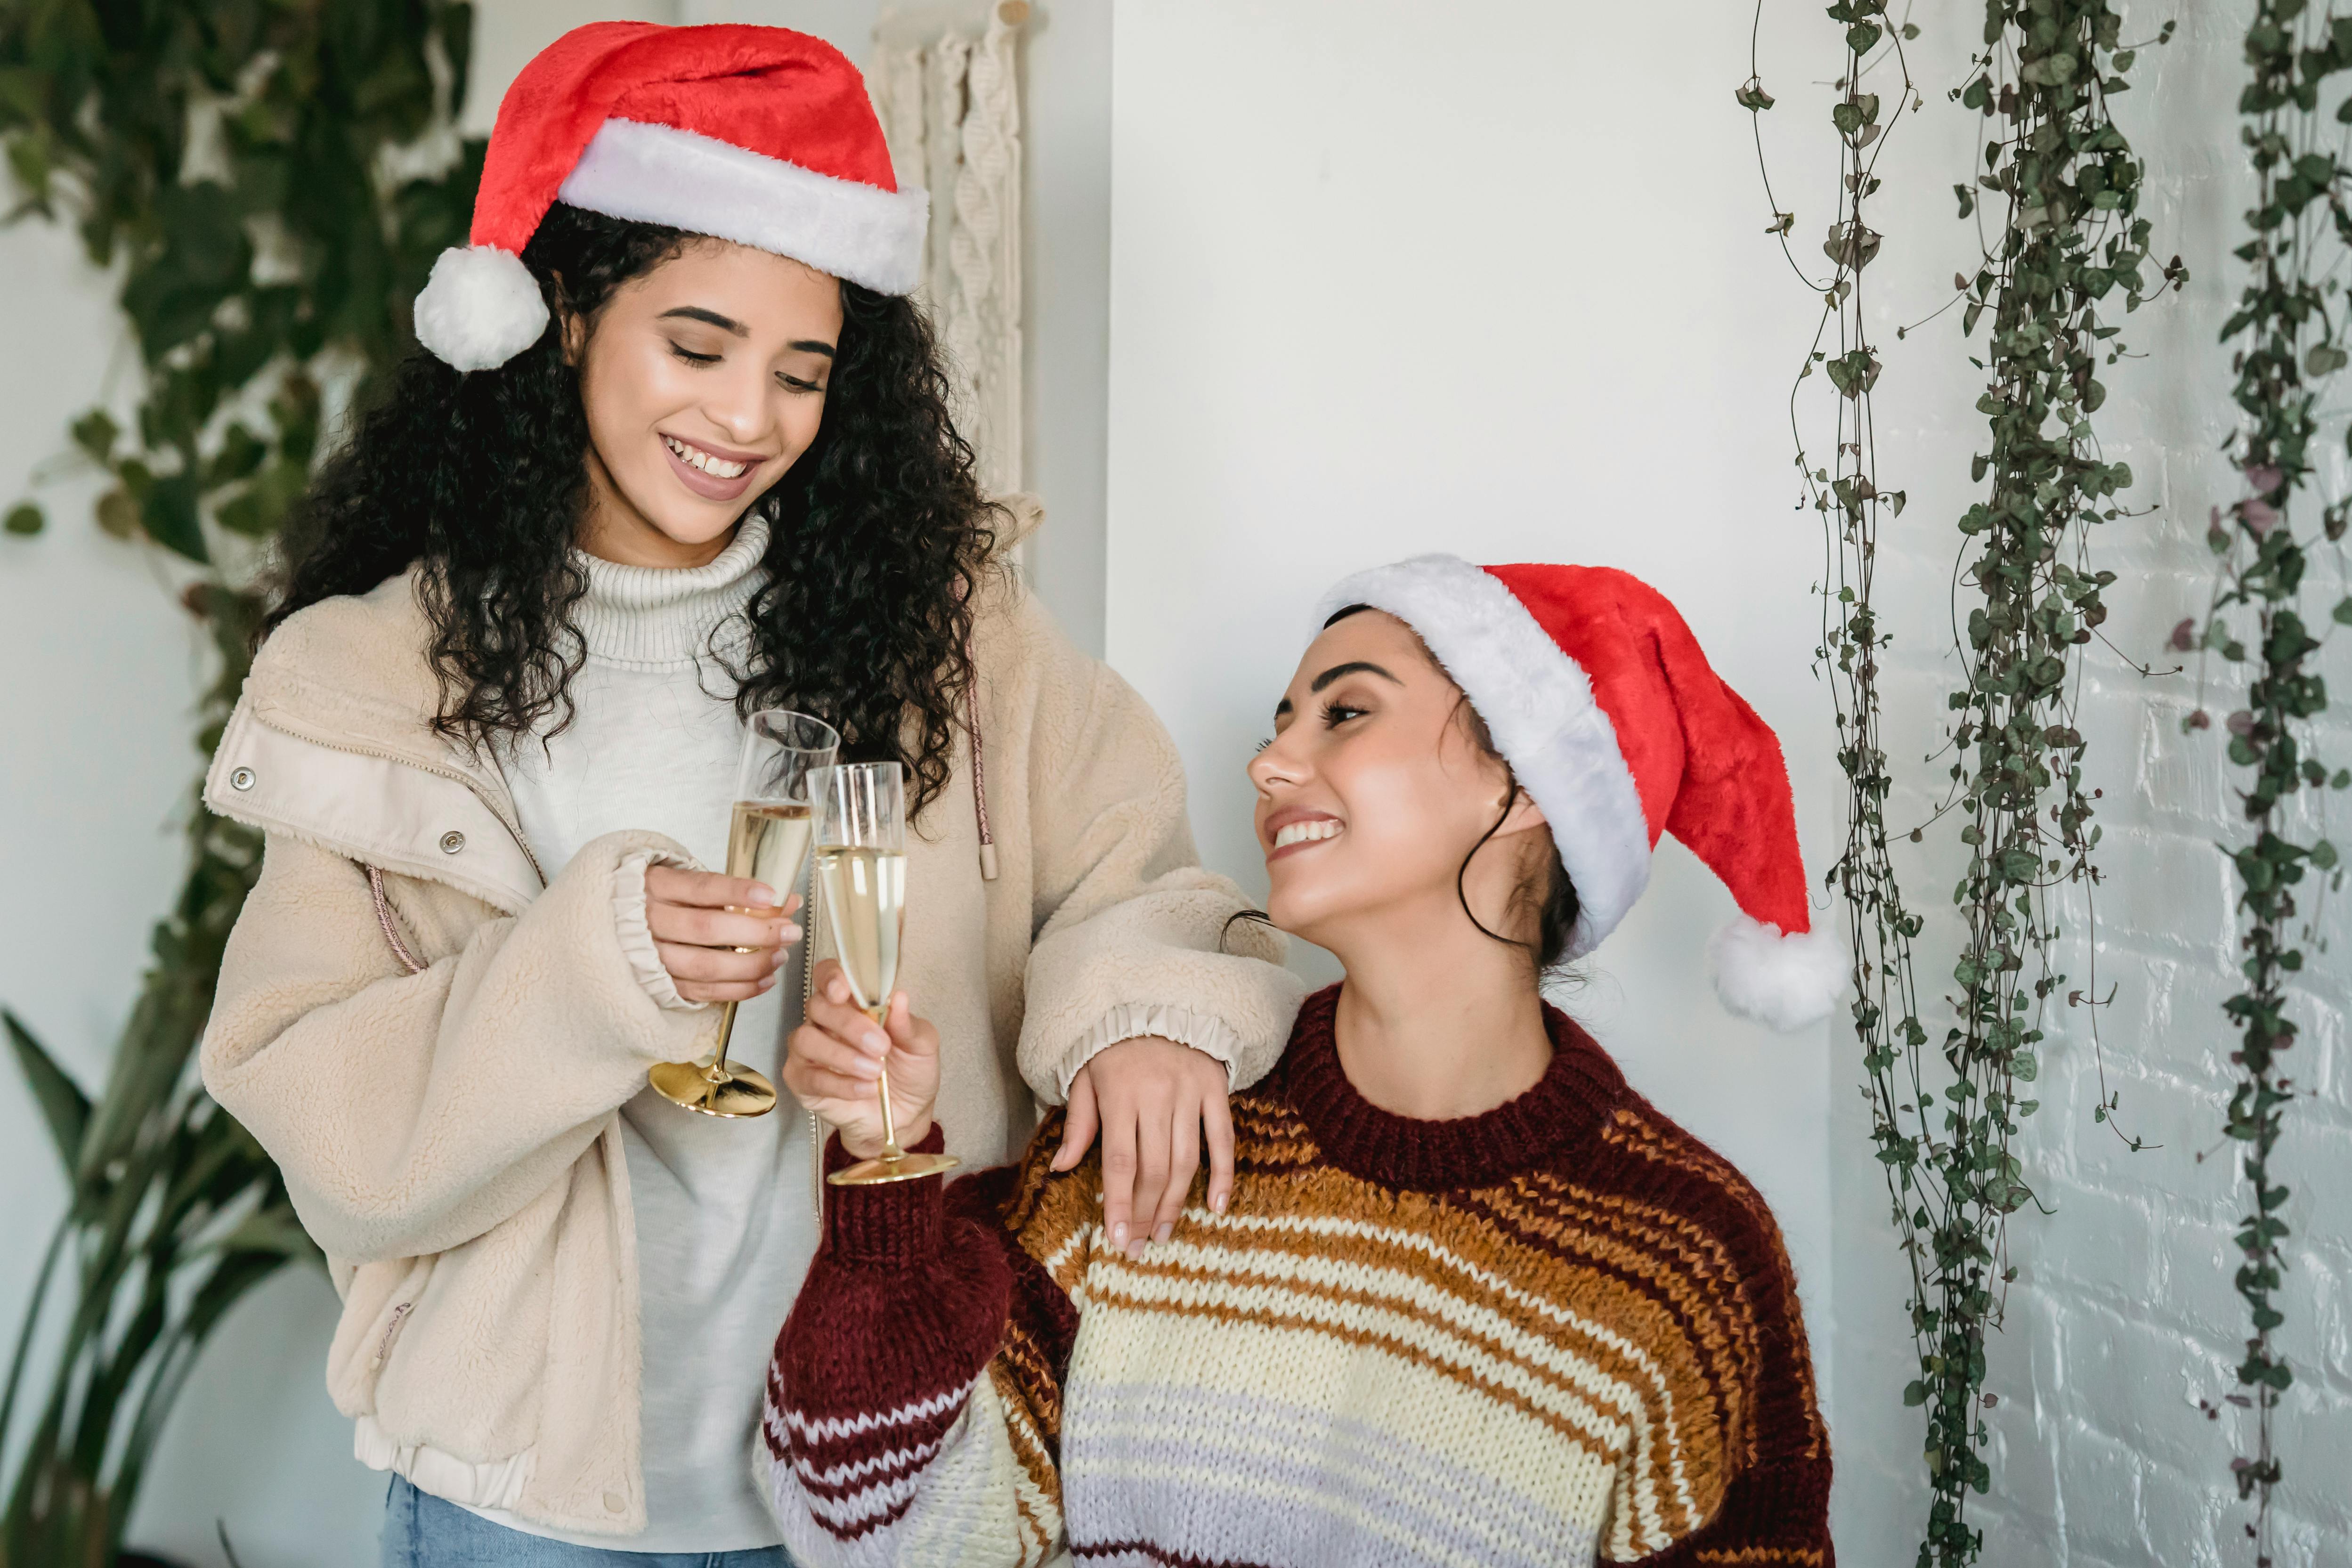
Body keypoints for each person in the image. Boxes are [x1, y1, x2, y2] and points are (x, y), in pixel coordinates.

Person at [198, 22, 1302, 1565]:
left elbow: (1141, 880)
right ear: (569, 314)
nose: (746, 421)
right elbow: (323, 1110)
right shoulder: (378, 677)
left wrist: (1144, 1022)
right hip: (525, 1500)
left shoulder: (949, 630)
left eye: (802, 372)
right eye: (697, 348)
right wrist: (602, 967)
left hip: (886, 1475)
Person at [764, 554, 1845, 1567]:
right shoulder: (1160, 1143)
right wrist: (881, 1165)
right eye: (1285, 720)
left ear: (1522, 790)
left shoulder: (1685, 1256)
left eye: (1347, 713)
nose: (1269, 760)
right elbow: (876, 1535)